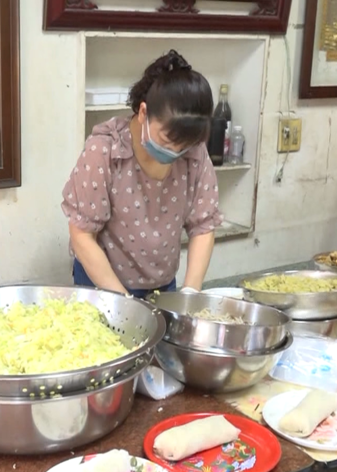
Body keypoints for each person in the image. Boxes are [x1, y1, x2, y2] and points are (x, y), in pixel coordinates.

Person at [61, 50, 222, 298]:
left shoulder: (194, 154)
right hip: (103, 285)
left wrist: (190, 293)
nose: (176, 152)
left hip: (163, 286)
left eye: (184, 146)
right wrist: (125, 302)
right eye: (167, 141)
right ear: (144, 113)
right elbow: (82, 235)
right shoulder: (105, 150)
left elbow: (203, 225)